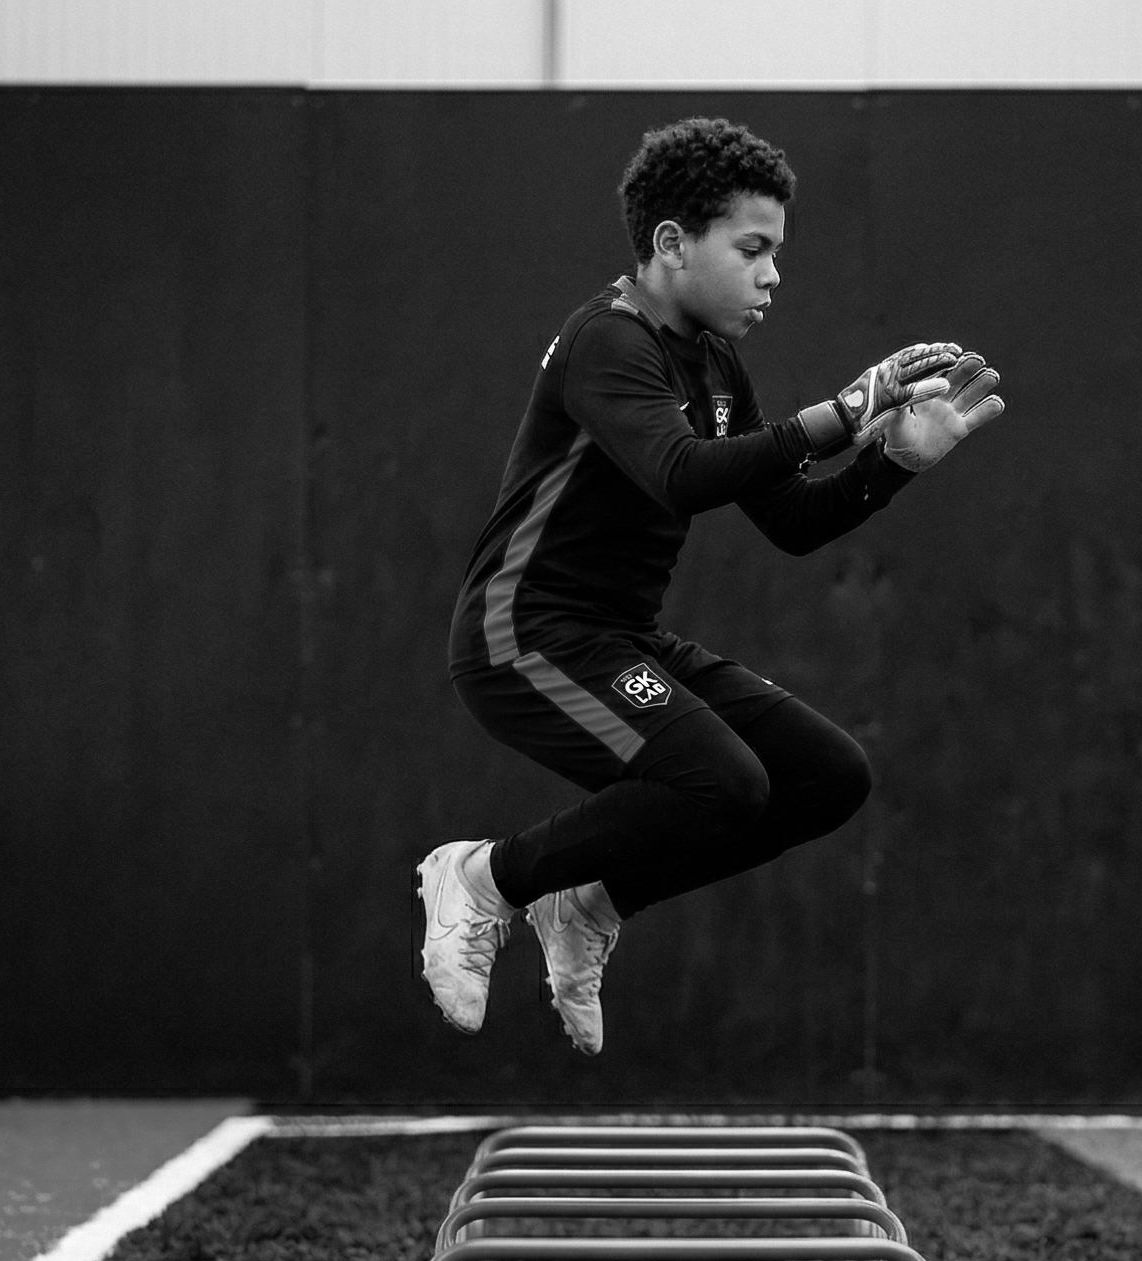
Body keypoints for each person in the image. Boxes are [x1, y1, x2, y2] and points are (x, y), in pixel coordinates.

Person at [417, 115, 1003, 1056]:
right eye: (755, 249)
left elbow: (794, 523)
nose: (773, 275)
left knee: (826, 777)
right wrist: (838, 414)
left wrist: (893, 461)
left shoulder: (718, 361)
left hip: (619, 638)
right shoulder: (609, 340)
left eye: (777, 252)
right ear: (672, 245)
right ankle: (483, 879)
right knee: (719, 782)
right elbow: (681, 472)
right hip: (521, 635)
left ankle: (589, 903)